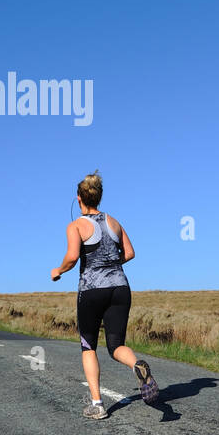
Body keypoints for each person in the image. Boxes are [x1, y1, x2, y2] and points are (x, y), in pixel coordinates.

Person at [51, 171, 159, 418]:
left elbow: (72, 256)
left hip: (92, 290)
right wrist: (111, 263)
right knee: (116, 345)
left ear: (79, 198)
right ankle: (136, 365)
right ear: (99, 197)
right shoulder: (114, 222)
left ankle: (97, 405)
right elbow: (129, 253)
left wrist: (59, 270)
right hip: (120, 288)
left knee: (88, 346)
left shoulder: (76, 225)